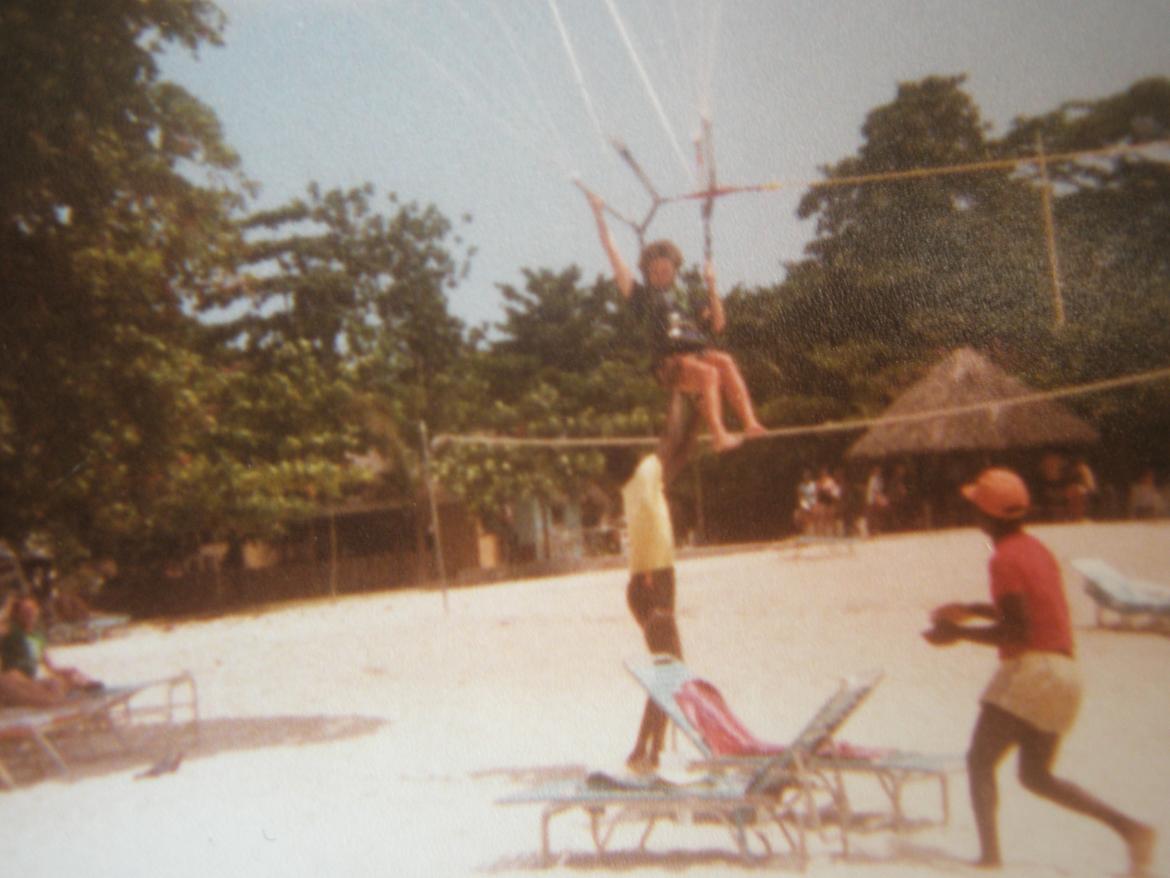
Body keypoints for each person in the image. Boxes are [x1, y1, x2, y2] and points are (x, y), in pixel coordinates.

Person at [923, 467, 1155, 874]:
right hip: (1065, 673)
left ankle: (990, 858)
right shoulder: (1035, 550)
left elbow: (1018, 629)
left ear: (987, 516)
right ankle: (1131, 830)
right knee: (1036, 776)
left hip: (1033, 671)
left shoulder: (1003, 559)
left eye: (976, 507)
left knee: (980, 761)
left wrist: (957, 633)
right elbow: (1033, 610)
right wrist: (971, 609)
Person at [584, 188, 765, 452]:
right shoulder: (641, 296)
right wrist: (598, 213)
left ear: (674, 271)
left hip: (696, 355)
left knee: (724, 361)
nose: (660, 274)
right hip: (668, 364)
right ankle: (718, 435)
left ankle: (750, 423)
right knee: (709, 373)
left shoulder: (688, 298)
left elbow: (718, 324)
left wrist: (712, 285)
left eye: (665, 270)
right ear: (646, 272)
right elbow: (612, 253)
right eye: (654, 271)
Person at [0, 596, 100, 707]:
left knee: (65, 677)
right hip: (15, 677)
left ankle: (86, 693)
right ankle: (58, 702)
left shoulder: (37, 636)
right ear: (17, 615)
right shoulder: (12, 630)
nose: (30, 614)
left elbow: (47, 664)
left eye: (32, 610)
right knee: (47, 689)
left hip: (30, 678)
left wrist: (63, 672)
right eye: (25, 611)